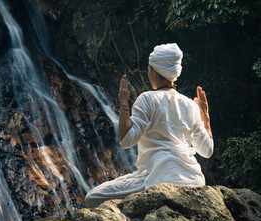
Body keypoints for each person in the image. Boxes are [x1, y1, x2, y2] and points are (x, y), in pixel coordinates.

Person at [85, 43, 213, 208]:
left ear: (155, 72)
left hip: (159, 180)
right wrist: (205, 116)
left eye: (148, 69)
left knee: (92, 197)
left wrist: (123, 103)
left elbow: (127, 140)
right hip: (194, 180)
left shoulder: (147, 99)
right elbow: (207, 150)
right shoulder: (190, 105)